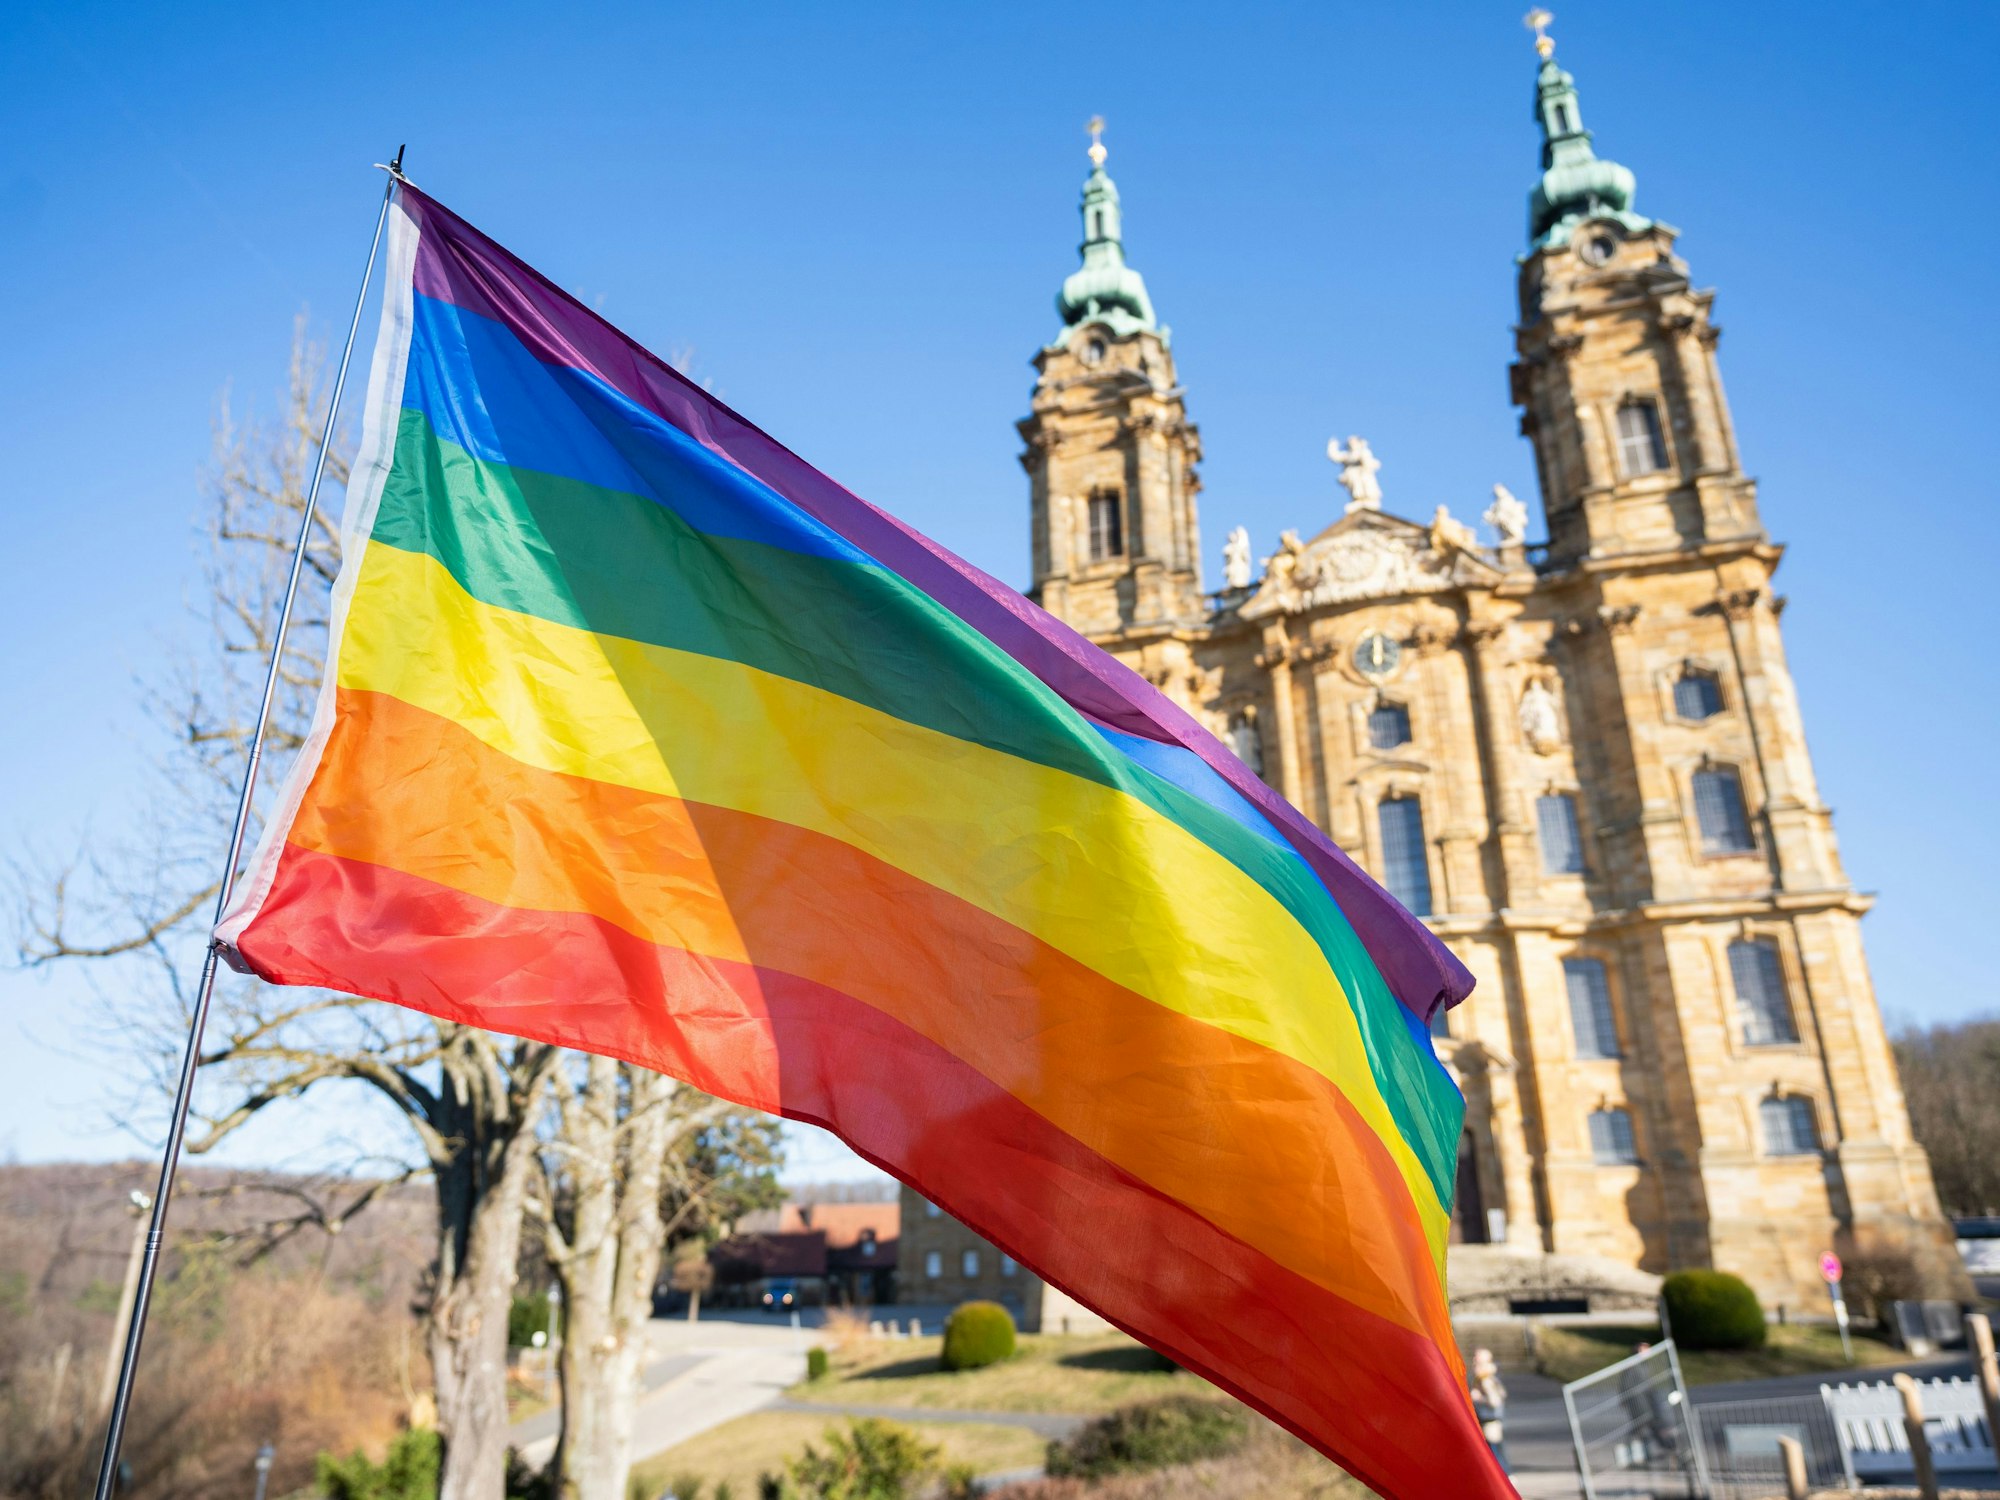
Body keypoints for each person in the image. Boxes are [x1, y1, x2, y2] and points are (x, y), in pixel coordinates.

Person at [1470, 1347, 1508, 1473]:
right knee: (1494, 1453)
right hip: (1488, 1420)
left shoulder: (1486, 1379)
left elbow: (1495, 1401)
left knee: (1495, 1454)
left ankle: (1506, 1479)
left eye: (1477, 1362)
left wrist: (1479, 1397)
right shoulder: (1486, 1378)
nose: (1474, 1364)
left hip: (1490, 1420)